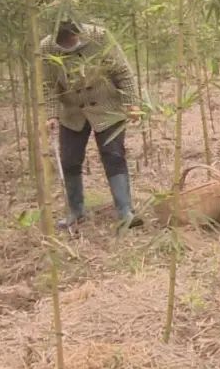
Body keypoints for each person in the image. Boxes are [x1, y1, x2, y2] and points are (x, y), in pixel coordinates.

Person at [41, 18, 144, 230]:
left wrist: (132, 104)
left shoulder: (100, 36)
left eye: (72, 42)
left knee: (113, 155)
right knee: (69, 160)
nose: (69, 47)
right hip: (73, 111)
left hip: (106, 107)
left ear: (78, 34)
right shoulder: (47, 47)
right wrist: (51, 115)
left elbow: (122, 72)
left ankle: (125, 211)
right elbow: (49, 84)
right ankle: (76, 212)